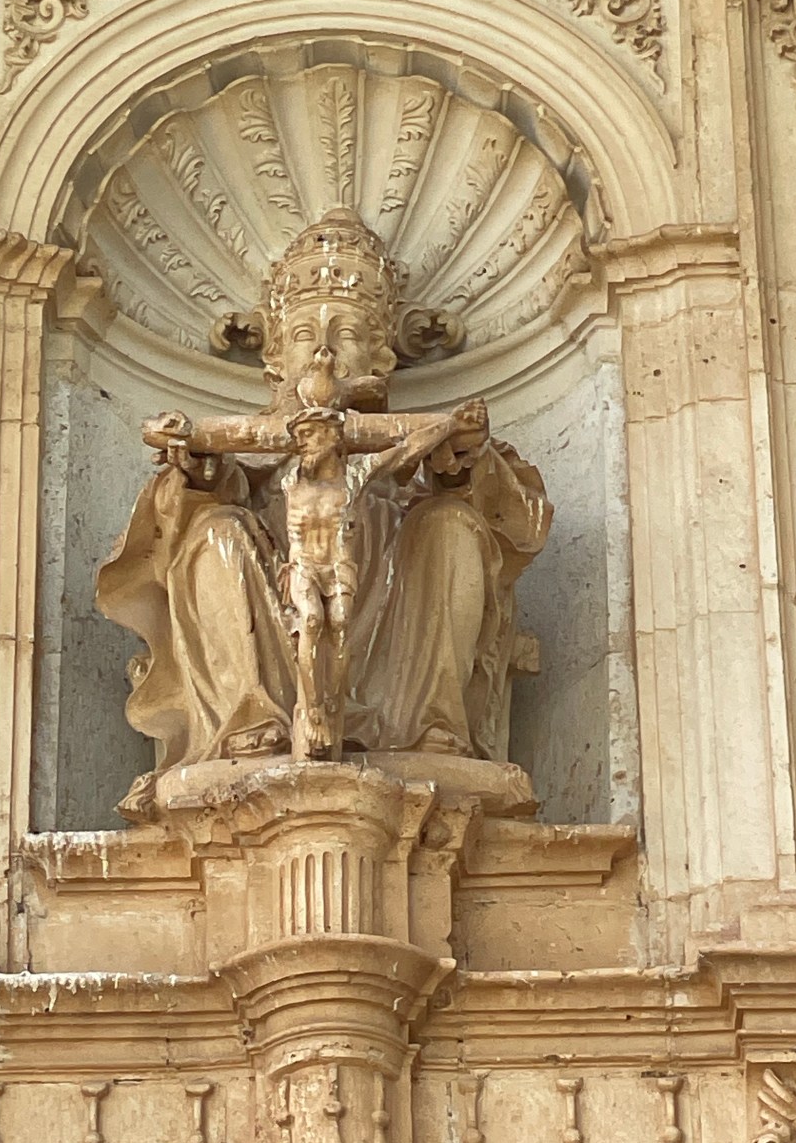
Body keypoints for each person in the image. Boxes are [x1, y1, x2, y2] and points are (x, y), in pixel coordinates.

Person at [97, 208, 552, 786]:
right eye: (307, 336)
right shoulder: (248, 447)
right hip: (280, 594)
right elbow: (179, 514)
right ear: (275, 360)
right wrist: (197, 472)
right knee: (215, 535)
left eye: (347, 335)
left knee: (452, 528)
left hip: (392, 598)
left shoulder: (411, 439)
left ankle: (430, 724)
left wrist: (462, 464)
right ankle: (251, 719)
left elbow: (514, 520)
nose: (324, 354)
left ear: (381, 358)